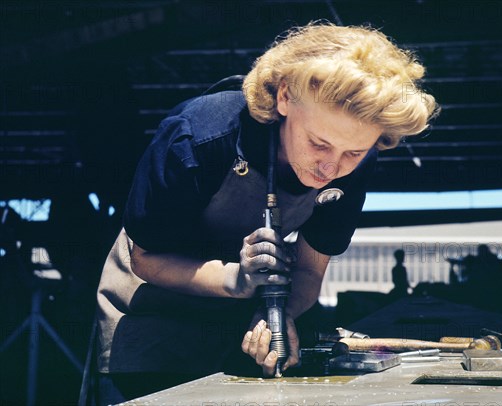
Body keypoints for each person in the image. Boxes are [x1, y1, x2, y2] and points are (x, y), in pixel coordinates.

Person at [94, 22, 438, 404]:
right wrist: (235, 280)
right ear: (286, 97)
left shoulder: (353, 163)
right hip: (151, 311)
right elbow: (146, 259)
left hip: (244, 320)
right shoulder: (198, 137)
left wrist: (280, 316)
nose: (330, 168)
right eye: (318, 144)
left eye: (352, 153)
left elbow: (309, 271)